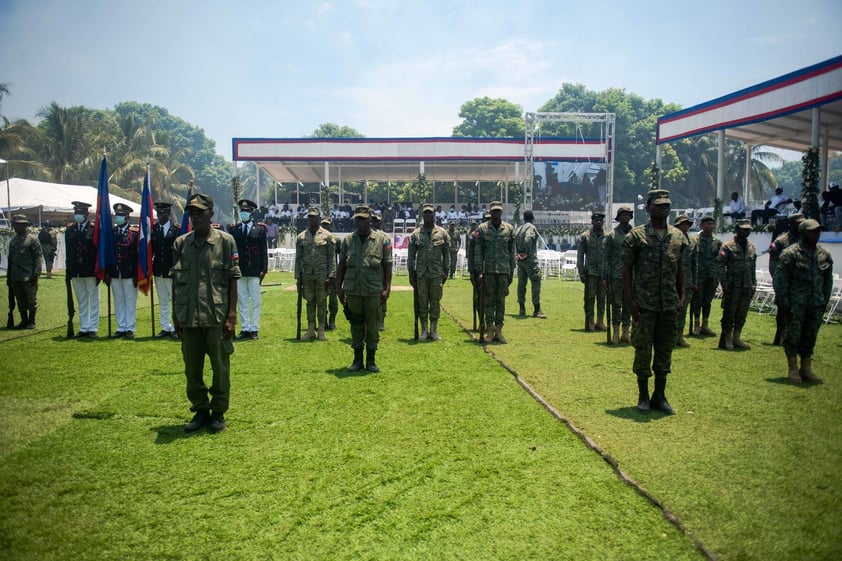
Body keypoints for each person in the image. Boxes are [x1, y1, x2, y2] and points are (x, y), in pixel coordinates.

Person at [172, 194, 241, 433]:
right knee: (192, 368)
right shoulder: (181, 244)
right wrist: (175, 315)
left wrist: (231, 315)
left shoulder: (225, 242)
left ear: (211, 213)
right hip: (189, 315)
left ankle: (218, 411)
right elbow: (175, 282)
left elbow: (233, 279)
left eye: (199, 213)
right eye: (192, 213)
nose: (195, 217)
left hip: (216, 316)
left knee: (220, 367)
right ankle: (200, 410)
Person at [622, 189, 687, 414]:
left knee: (664, 350)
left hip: (668, 304)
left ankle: (659, 395)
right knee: (642, 350)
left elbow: (679, 268)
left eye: (667, 205)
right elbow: (627, 270)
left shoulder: (678, 236)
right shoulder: (636, 236)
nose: (664, 209)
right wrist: (630, 301)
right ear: (648, 208)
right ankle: (643, 396)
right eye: (659, 205)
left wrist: (681, 295)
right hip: (644, 304)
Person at [773, 219, 834, 384]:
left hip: (815, 303)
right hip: (795, 304)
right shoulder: (790, 254)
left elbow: (827, 281)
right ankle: (792, 368)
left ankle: (806, 368)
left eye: (818, 231)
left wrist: (824, 301)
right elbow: (780, 280)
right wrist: (784, 302)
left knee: (810, 336)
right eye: (812, 231)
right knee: (793, 336)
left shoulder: (823, 255)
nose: (816, 234)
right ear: (802, 232)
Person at [336, 206, 393, 372]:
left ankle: (371, 360)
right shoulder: (348, 241)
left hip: (373, 290)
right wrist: (339, 287)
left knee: (373, 325)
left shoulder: (382, 240)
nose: (360, 222)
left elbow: (388, 265)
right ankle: (357, 360)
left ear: (370, 220)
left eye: (363, 219)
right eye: (357, 219)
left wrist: (387, 288)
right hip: (353, 289)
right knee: (355, 325)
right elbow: (342, 265)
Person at [473, 201, 515, 343]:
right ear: (490, 212)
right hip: (488, 271)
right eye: (494, 211)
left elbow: (511, 252)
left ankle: (499, 330)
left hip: (503, 271)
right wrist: (479, 271)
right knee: (489, 301)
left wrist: (511, 271)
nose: (496, 213)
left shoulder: (508, 229)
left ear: (501, 212)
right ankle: (490, 330)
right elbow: (478, 251)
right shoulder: (482, 229)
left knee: (501, 301)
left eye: (498, 211)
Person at [408, 203, 450, 341]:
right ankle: (424, 329)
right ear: (423, 215)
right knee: (422, 302)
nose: (428, 215)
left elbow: (446, 255)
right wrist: (411, 273)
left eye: (430, 213)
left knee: (435, 302)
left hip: (436, 273)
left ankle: (434, 329)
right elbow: (411, 256)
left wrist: (446, 271)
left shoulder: (442, 233)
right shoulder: (415, 234)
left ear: (434, 214)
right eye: (425, 213)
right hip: (421, 274)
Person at [229, 199, 268, 340]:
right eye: (242, 211)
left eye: (246, 211)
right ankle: (245, 328)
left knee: (256, 300)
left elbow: (263, 250)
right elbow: (232, 251)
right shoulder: (234, 229)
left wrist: (264, 269)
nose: (243, 213)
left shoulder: (260, 229)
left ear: (252, 212)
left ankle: (254, 328)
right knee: (242, 300)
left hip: (255, 269)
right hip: (240, 269)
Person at [295, 207, 336, 341]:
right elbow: (298, 260)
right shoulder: (301, 237)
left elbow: (332, 258)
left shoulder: (327, 236)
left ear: (319, 218)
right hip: (307, 275)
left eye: (314, 217)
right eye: (310, 217)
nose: (312, 219)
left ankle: (322, 330)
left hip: (322, 275)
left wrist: (331, 276)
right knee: (310, 302)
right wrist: (298, 278)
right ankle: (311, 329)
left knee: (322, 302)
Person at [716, 219, 757, 350]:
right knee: (729, 313)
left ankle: (737, 337)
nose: (746, 231)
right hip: (733, 285)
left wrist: (754, 283)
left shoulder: (751, 246)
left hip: (746, 285)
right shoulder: (727, 246)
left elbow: (752, 266)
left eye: (748, 229)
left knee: (742, 313)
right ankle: (727, 338)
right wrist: (724, 283)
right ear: (737, 230)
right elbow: (720, 265)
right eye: (743, 229)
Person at [768, 213, 803, 345]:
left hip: (800, 285)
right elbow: (773, 265)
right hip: (784, 284)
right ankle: (780, 335)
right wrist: (779, 283)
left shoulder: (804, 240)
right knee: (783, 311)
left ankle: (793, 337)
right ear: (791, 224)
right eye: (798, 223)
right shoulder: (781, 242)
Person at [65, 201, 99, 337]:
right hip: (76, 270)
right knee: (81, 300)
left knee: (93, 299)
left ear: (87, 213)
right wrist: (68, 271)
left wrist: (98, 270)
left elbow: (97, 251)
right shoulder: (70, 230)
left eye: (81, 212)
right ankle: (84, 327)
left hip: (90, 269)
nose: (78, 215)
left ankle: (93, 327)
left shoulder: (94, 229)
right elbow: (69, 252)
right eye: (76, 212)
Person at [602, 206, 633, 343]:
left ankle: (626, 332)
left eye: (627, 215)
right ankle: (615, 331)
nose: (625, 217)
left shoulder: (635, 235)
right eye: (623, 215)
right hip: (616, 275)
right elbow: (606, 257)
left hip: (631, 276)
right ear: (618, 218)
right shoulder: (611, 236)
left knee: (629, 304)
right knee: (616, 304)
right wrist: (605, 276)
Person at [108, 203, 139, 339]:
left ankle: (130, 327)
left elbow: (137, 255)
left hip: (129, 271)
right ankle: (121, 327)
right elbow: (108, 253)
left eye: (120, 215)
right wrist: (108, 272)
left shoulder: (134, 233)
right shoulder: (112, 233)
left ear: (127, 216)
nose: (118, 217)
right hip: (115, 271)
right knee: (118, 300)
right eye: (116, 215)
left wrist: (136, 274)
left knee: (130, 300)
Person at [7, 215, 42, 329]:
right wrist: (9, 277)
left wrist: (36, 274)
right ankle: (24, 320)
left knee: (31, 300)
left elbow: (37, 257)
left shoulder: (32, 239)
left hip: (28, 276)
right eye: (15, 225)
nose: (16, 227)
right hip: (15, 276)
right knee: (20, 300)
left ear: (25, 226)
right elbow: (10, 260)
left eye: (19, 225)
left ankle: (32, 321)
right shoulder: (13, 241)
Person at [151, 202, 180, 339]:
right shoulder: (154, 229)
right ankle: (165, 327)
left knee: (174, 300)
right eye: (158, 213)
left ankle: (175, 326)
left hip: (171, 269)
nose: (160, 215)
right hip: (158, 270)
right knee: (162, 300)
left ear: (168, 213)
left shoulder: (176, 230)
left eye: (162, 213)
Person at [690, 216, 722, 337]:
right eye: (708, 224)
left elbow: (719, 260)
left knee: (707, 302)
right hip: (699, 275)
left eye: (712, 224)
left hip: (711, 276)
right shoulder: (695, 240)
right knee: (697, 300)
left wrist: (718, 276)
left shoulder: (717, 242)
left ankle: (705, 325)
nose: (711, 226)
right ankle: (696, 325)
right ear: (701, 226)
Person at [577, 211, 606, 331]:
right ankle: (589, 322)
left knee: (602, 298)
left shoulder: (608, 237)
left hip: (603, 273)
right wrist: (581, 272)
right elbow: (580, 256)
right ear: (592, 221)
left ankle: (600, 321)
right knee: (589, 298)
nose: (599, 222)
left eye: (600, 220)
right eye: (596, 220)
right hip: (590, 272)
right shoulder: (585, 236)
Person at [514, 209, 546, 319]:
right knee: (536, 282)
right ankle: (537, 309)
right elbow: (528, 239)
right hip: (530, 260)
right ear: (532, 218)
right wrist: (526, 253)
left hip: (520, 261)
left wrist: (519, 254)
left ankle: (521, 308)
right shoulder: (531, 227)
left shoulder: (518, 229)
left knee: (521, 284)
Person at [673, 214, 698, 347]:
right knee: (672, 310)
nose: (685, 227)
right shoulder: (671, 238)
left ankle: (679, 335)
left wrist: (695, 281)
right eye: (683, 224)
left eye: (687, 224)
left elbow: (695, 263)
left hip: (687, 281)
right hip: (672, 280)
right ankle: (669, 336)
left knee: (683, 310)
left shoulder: (692, 242)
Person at [370, 210, 388, 331]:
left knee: (381, 296)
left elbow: (388, 260)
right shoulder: (365, 234)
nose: (375, 222)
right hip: (369, 271)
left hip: (380, 271)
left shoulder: (384, 237)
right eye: (373, 219)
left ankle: (381, 320)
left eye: (377, 220)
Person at [321, 217, 340, 330]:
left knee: (333, 299)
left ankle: (332, 321)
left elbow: (341, 257)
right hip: (321, 272)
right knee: (322, 299)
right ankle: (323, 321)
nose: (325, 227)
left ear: (331, 226)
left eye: (327, 225)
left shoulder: (336, 240)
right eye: (323, 225)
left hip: (334, 273)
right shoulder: (318, 239)